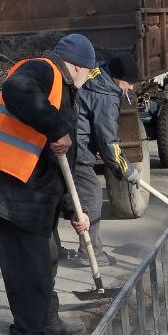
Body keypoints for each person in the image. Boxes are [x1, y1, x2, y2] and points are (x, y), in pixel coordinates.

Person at [0, 33, 96, 335]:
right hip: (10, 194)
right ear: (77, 66)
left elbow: (58, 163)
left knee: (48, 258)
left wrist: (75, 211)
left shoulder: (62, 89)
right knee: (29, 274)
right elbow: (17, 90)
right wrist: (56, 126)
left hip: (29, 196)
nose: (89, 81)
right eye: (90, 73)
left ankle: (44, 318)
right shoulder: (42, 70)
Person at [69, 52, 142, 267]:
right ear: (118, 78)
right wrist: (127, 171)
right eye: (129, 83)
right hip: (76, 148)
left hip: (64, 138)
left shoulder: (95, 72)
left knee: (61, 196)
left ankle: (52, 247)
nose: (130, 88)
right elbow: (108, 142)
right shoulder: (106, 97)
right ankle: (90, 253)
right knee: (91, 193)